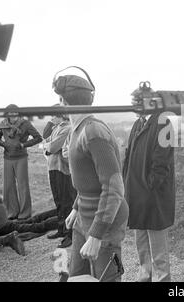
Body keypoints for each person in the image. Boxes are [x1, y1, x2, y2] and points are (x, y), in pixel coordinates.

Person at [56, 70, 129, 282]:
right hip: (83, 217)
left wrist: (96, 236)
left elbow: (114, 188)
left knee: (106, 277)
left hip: (105, 223)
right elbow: (89, 179)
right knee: (77, 276)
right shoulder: (75, 130)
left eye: (60, 99)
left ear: (64, 101)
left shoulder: (93, 132)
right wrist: (76, 207)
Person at [124, 85, 176, 282]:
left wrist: (149, 187)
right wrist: (126, 183)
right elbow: (128, 157)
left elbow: (161, 164)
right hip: (137, 196)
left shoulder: (163, 123)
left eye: (138, 102)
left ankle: (162, 280)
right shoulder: (138, 124)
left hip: (154, 198)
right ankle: (144, 278)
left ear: (149, 103)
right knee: (142, 248)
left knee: (159, 252)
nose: (134, 106)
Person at [0, 105, 43, 220]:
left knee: (23, 186)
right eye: (11, 113)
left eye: (15, 113)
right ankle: (11, 212)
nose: (13, 115)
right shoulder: (3, 124)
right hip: (7, 158)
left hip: (21, 158)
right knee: (8, 186)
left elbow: (38, 138)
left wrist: (23, 145)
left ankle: (25, 213)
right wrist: (3, 144)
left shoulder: (25, 123)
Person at [43, 110, 77, 248]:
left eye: (52, 115)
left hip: (62, 170)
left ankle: (71, 234)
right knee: (58, 201)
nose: (51, 118)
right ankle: (61, 229)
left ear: (59, 116)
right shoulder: (57, 128)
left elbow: (52, 146)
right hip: (53, 168)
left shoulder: (67, 128)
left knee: (67, 201)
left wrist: (47, 147)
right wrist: (48, 146)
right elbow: (47, 142)